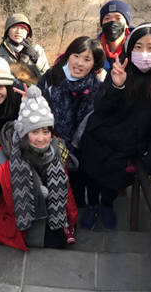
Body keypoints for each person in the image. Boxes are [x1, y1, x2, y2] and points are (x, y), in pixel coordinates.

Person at [78, 23, 151, 231]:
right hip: (97, 139)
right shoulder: (120, 70)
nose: (144, 53)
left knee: (112, 184)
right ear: (130, 49)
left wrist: (149, 163)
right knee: (91, 178)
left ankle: (107, 205)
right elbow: (100, 108)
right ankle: (92, 206)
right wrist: (116, 86)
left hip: (127, 149)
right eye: (138, 47)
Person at [0, 86, 79, 251]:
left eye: (45, 131)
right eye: (34, 132)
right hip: (16, 220)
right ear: (24, 133)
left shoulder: (56, 150)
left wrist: (71, 218)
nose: (41, 139)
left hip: (48, 211)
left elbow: (65, 186)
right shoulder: (3, 158)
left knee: (59, 242)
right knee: (52, 244)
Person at [37, 36, 105, 207]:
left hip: (84, 148)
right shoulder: (52, 78)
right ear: (68, 55)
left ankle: (84, 207)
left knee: (81, 186)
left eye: (87, 59)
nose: (79, 63)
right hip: (55, 145)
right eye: (76, 55)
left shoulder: (97, 89)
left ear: (94, 64)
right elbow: (37, 107)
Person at [0, 13, 50, 79]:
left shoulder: (38, 50)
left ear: (27, 33)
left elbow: (48, 79)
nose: (18, 31)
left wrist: (35, 58)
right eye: (14, 27)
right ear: (7, 32)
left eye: (22, 28)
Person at [97, 0, 134, 73]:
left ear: (126, 24)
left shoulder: (136, 49)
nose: (112, 22)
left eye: (118, 18)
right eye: (107, 18)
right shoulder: (94, 51)